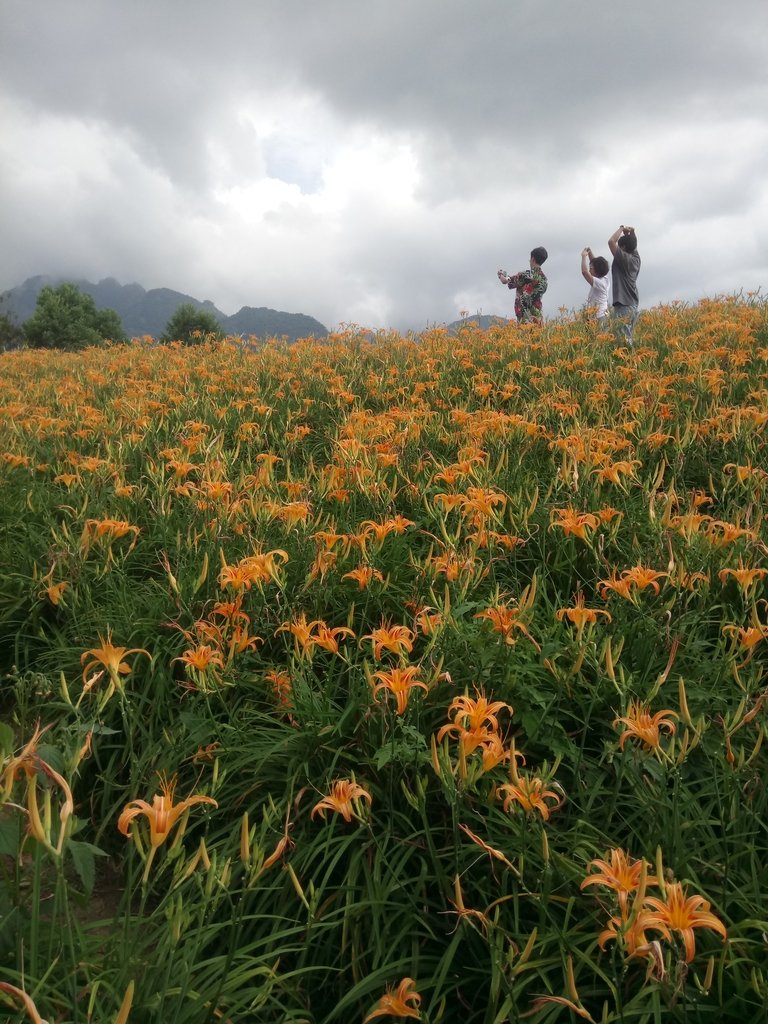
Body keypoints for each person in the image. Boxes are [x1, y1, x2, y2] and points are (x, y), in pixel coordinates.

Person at [608, 225, 641, 344]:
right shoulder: (636, 258)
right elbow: (633, 245)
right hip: (633, 305)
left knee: (623, 342)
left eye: (620, 247)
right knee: (628, 339)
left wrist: (621, 228)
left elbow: (611, 242)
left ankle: (629, 362)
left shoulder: (624, 259)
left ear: (624, 248)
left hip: (623, 306)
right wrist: (631, 233)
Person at [497, 246, 548, 323]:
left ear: (533, 259)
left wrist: (500, 274)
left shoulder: (525, 275)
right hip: (537, 318)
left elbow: (505, 281)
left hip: (525, 318)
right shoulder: (544, 279)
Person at [581, 248, 611, 324]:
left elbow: (585, 272)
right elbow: (595, 263)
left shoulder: (600, 283)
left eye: (591, 268)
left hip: (599, 317)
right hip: (597, 315)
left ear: (597, 270)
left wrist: (583, 256)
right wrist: (590, 252)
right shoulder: (604, 277)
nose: (589, 270)